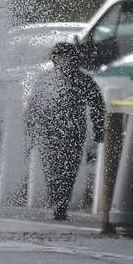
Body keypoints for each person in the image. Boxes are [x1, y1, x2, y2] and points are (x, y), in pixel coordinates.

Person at [26, 42, 106, 221]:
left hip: (74, 133)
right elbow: (34, 107)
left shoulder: (83, 80)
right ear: (55, 59)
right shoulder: (45, 80)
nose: (67, 60)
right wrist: (30, 131)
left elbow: (97, 105)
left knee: (69, 170)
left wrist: (99, 129)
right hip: (49, 133)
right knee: (51, 169)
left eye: (70, 56)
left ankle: (61, 205)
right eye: (63, 56)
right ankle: (57, 201)